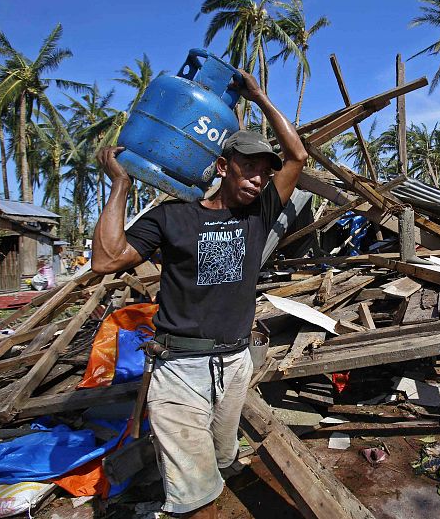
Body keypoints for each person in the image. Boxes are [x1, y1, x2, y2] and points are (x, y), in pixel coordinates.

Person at [91, 70, 307, 518]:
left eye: (265, 172)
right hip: (178, 370)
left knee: (223, 459)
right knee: (195, 490)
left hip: (234, 363)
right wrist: (120, 184)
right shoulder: (173, 217)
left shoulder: (259, 214)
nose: (259, 178)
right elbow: (107, 259)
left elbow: (298, 154)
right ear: (223, 166)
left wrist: (259, 96)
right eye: (249, 166)